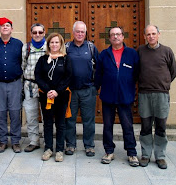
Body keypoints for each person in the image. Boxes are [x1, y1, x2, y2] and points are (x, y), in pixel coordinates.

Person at [95, 27, 140, 167]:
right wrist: (96, 88)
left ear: (122, 36)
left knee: (127, 125)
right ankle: (109, 151)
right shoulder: (104, 54)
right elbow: (99, 74)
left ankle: (132, 153)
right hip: (108, 95)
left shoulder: (132, 54)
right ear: (109, 38)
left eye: (118, 34)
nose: (115, 37)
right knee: (107, 125)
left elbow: (137, 73)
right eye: (113, 35)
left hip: (125, 96)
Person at [137, 25, 176, 169]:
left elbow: (174, 72)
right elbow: (136, 71)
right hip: (145, 95)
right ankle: (146, 154)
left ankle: (160, 156)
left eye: (153, 33)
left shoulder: (167, 51)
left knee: (160, 126)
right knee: (146, 126)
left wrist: (163, 84)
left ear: (159, 34)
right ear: (144, 36)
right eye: (148, 34)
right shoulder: (140, 51)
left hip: (161, 95)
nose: (151, 36)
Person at [35, 33, 72, 162]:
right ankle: (48, 148)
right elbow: (38, 76)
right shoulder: (42, 59)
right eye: (52, 42)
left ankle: (60, 150)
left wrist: (57, 91)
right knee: (48, 123)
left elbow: (68, 77)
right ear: (48, 44)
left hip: (61, 96)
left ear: (61, 44)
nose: (54, 45)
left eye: (57, 42)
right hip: (46, 96)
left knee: (61, 123)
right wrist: (47, 90)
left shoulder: (66, 59)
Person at [0, 17, 23, 153]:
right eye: (2, 26)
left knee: (15, 112)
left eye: (7, 25)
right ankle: (2, 141)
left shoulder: (18, 44)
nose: (5, 27)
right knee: (0, 112)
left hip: (15, 83)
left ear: (12, 29)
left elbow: (22, 61)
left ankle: (15, 141)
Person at [65, 21, 98, 157]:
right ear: (73, 33)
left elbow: (98, 67)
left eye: (82, 32)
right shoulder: (66, 47)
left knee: (88, 119)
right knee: (69, 119)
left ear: (85, 33)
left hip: (87, 90)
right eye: (77, 31)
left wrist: (96, 86)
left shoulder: (91, 47)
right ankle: (70, 145)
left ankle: (89, 145)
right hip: (70, 91)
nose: (80, 34)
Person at [21, 23, 47, 152]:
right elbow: (23, 66)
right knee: (31, 114)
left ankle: (47, 141)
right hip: (30, 85)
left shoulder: (49, 47)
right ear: (31, 34)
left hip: (45, 88)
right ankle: (34, 141)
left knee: (46, 114)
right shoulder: (26, 48)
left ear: (44, 33)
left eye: (40, 32)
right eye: (35, 32)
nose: (37, 35)